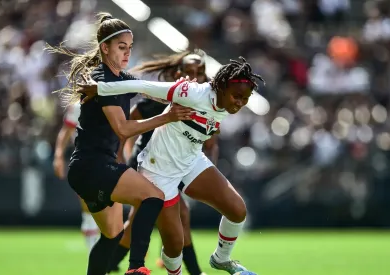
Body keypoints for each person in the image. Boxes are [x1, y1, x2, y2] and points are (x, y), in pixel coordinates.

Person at [78, 57, 264, 275]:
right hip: (158, 171)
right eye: (237, 97)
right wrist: (100, 88)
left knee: (237, 210)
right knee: (175, 245)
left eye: (245, 99)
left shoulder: (226, 104)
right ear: (222, 87)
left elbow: (208, 130)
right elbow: (143, 86)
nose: (240, 103)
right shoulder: (190, 92)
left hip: (191, 162)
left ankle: (221, 259)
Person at [46, 12, 195, 275]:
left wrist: (185, 91)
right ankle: (136, 267)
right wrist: (168, 116)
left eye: (130, 48)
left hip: (87, 169)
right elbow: (123, 128)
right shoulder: (101, 80)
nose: (127, 53)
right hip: (94, 167)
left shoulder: (121, 79)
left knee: (111, 236)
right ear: (105, 48)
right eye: (121, 47)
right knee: (154, 196)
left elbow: (154, 91)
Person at [108, 50, 217, 275]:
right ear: (179, 74)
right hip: (149, 164)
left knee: (140, 222)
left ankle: (109, 264)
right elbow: (125, 127)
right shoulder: (160, 99)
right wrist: (121, 157)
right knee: (179, 215)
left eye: (200, 73)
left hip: (174, 168)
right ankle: (194, 271)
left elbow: (211, 143)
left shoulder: (207, 104)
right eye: (189, 72)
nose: (195, 77)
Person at [53, 102, 100, 252]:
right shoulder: (79, 106)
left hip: (109, 159)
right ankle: (93, 254)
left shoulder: (115, 100)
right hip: (85, 160)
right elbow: (67, 130)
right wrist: (58, 155)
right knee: (89, 208)